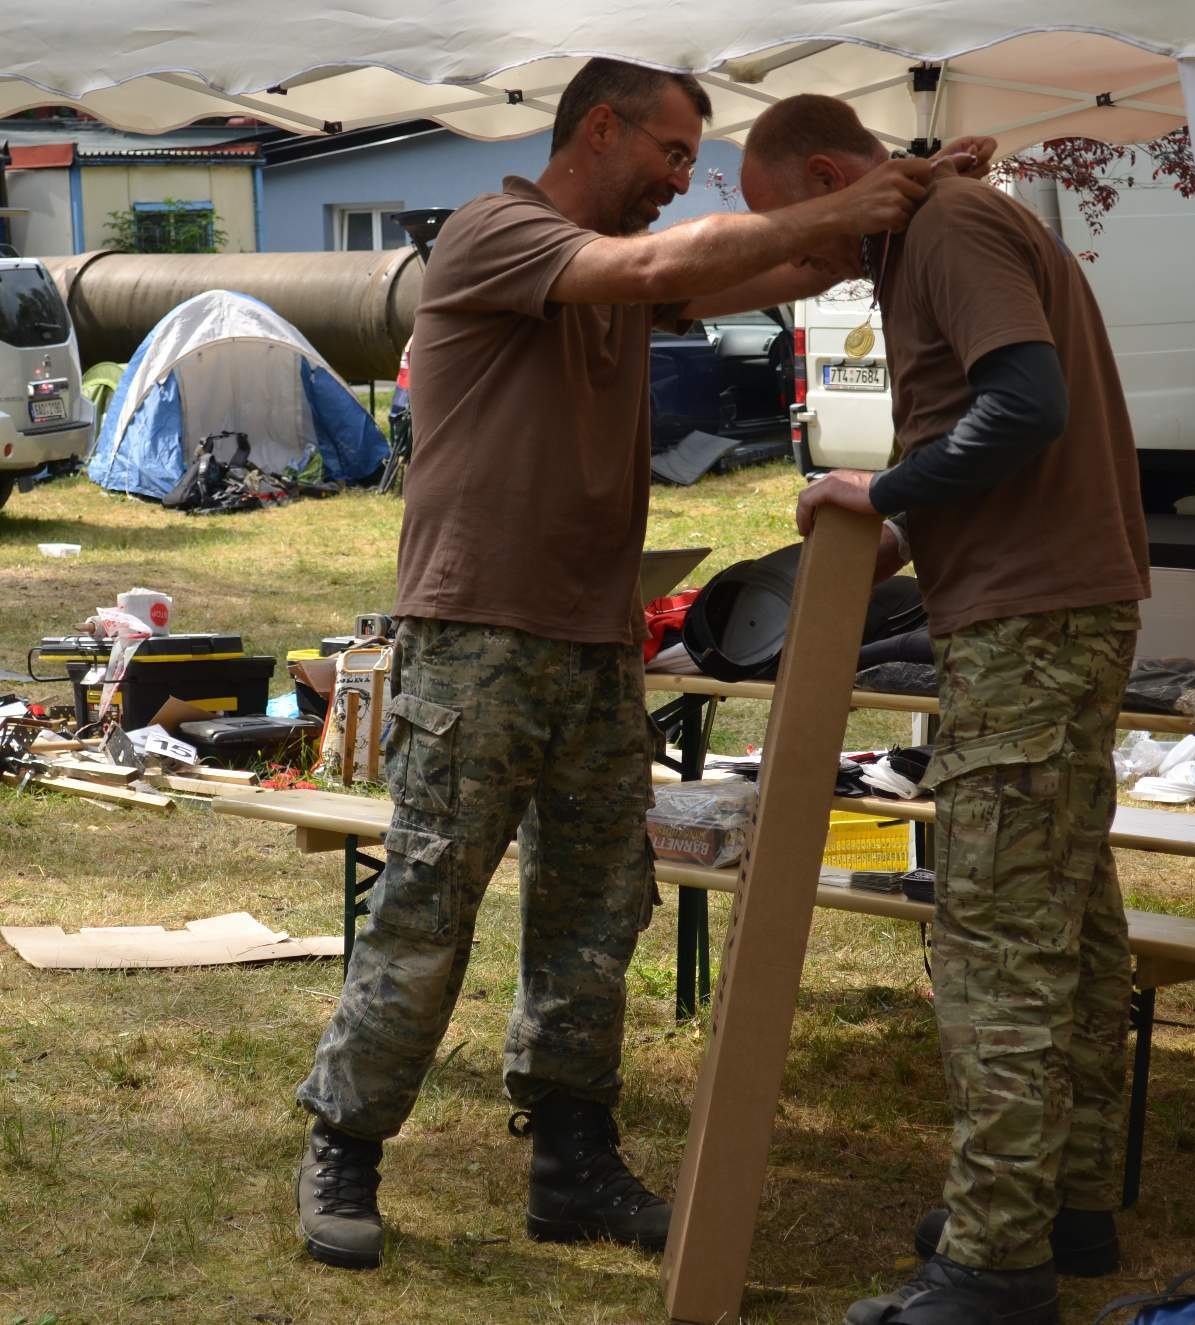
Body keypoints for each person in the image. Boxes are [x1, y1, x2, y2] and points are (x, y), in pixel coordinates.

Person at [293, 59, 985, 1273]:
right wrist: (841, 204)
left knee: (595, 906)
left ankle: (571, 1161)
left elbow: (785, 268)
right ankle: (343, 1142)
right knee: (428, 901)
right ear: (599, 128)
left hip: (596, 639)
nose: (678, 179)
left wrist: (902, 195)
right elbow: (667, 266)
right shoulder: (499, 233)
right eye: (669, 153)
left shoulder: (614, 269)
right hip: (478, 632)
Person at [739, 94, 1151, 1325]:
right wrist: (906, 525)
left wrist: (883, 490)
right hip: (1050, 605)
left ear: (828, 174)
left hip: (1031, 621)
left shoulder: (945, 230)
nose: (792, 253)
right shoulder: (936, 224)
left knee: (997, 938)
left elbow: (1024, 405)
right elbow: (1000, 428)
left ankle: (992, 1262)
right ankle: (1059, 1203)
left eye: (787, 221)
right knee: (1066, 920)